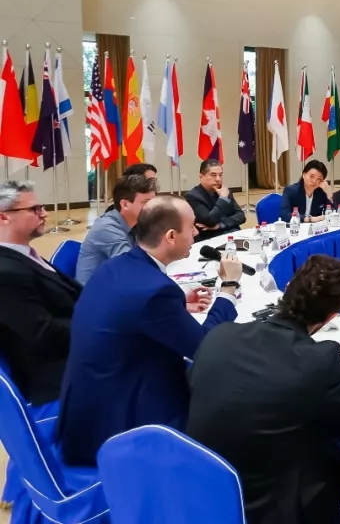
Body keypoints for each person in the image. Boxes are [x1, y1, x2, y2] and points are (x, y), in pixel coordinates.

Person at [188, 255, 340, 524]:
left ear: (287, 288)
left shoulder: (220, 336)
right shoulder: (316, 361)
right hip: (271, 507)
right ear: (331, 316)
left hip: (203, 492)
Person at [57, 196, 242, 466]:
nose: (196, 232)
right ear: (170, 236)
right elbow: (206, 348)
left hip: (88, 408)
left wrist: (178, 306)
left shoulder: (117, 267)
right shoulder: (154, 291)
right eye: (191, 226)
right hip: (119, 427)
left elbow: (133, 312)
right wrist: (228, 289)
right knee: (228, 398)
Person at [0, 181, 81, 407]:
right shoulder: (5, 273)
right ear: (3, 217)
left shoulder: (23, 254)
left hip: (74, 350)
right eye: (34, 209)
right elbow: (44, 335)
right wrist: (99, 325)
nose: (44, 214)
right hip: (59, 375)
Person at [75, 174, 156, 285]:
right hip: (95, 292)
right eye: (146, 202)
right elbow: (131, 267)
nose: (154, 207)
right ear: (125, 204)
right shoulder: (107, 227)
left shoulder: (134, 223)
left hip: (114, 284)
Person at [185, 158, 246, 242]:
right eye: (213, 175)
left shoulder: (224, 191)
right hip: (211, 239)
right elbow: (210, 221)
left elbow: (241, 216)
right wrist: (223, 199)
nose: (218, 179)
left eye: (220, 175)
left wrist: (220, 225)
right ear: (201, 177)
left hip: (232, 233)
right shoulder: (192, 197)